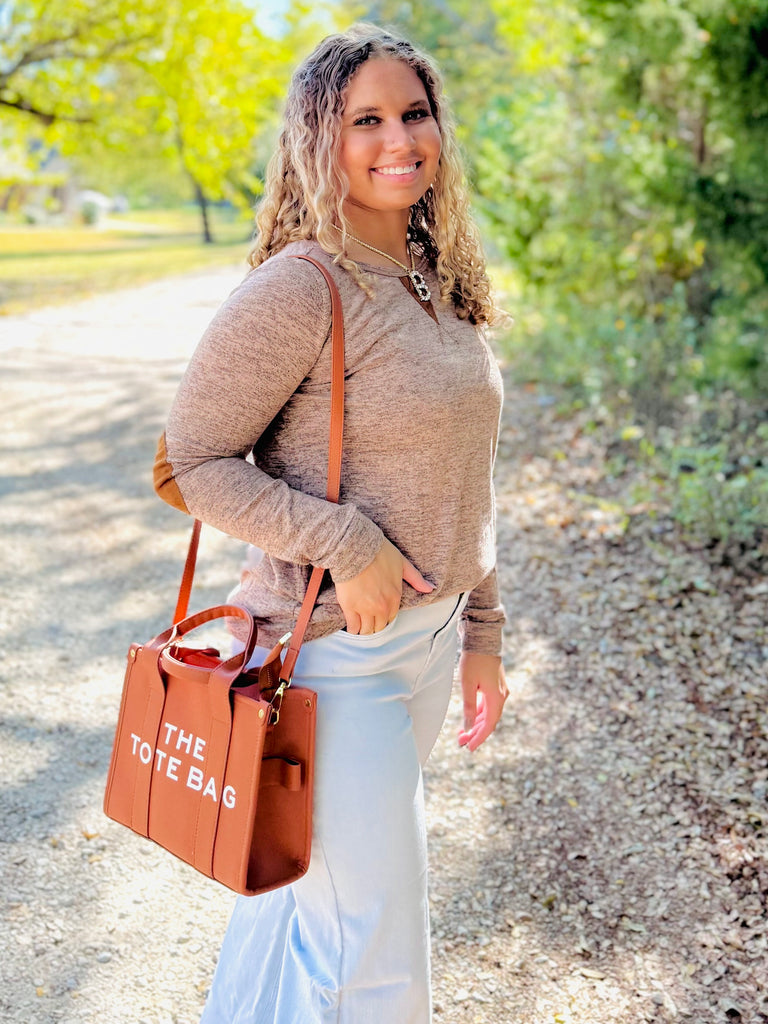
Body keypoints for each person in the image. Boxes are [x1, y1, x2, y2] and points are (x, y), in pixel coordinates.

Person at [153, 22, 509, 1024]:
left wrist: (482, 634)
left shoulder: (442, 286)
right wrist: (349, 543)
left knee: (304, 914)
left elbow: (468, 479)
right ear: (321, 137)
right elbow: (192, 462)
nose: (399, 137)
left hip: (427, 653)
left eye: (414, 112)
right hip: (329, 665)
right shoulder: (301, 288)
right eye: (366, 119)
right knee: (377, 959)